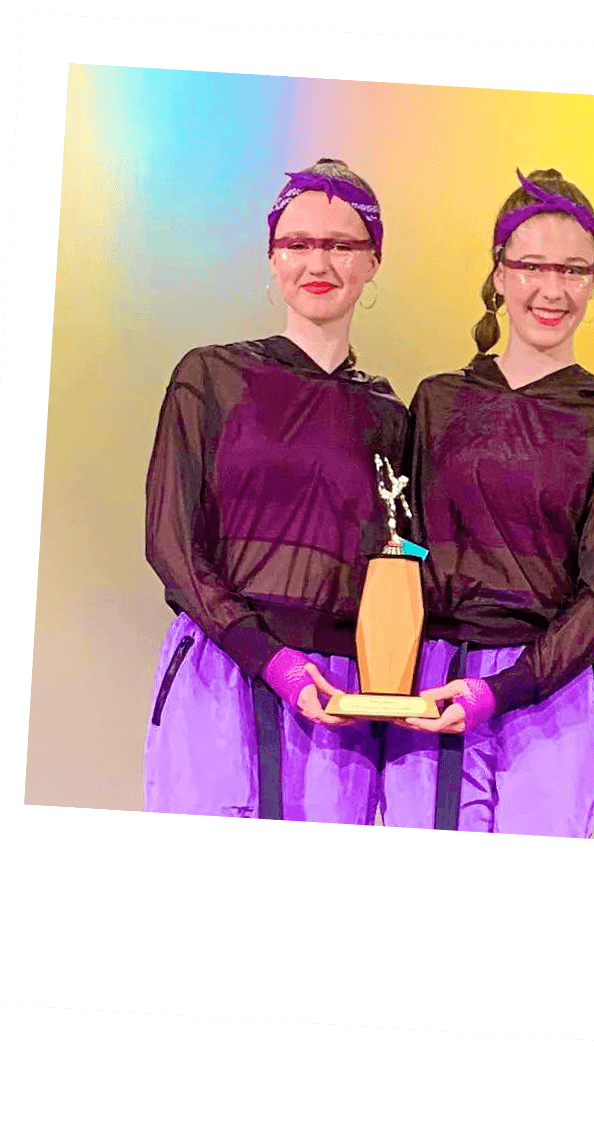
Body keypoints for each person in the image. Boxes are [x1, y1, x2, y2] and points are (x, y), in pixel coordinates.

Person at [382, 168, 594, 838]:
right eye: (532, 265)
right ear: (499, 274)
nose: (553, 289)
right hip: (432, 685)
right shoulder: (437, 402)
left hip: (549, 699)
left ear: (593, 280)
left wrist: (501, 689)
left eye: (574, 270)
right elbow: (402, 547)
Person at [143, 158, 407, 823]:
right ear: (271, 258)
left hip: (337, 699)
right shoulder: (211, 377)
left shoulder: (388, 415)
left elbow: (397, 563)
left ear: (373, 261)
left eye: (341, 245)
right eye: (297, 243)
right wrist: (272, 661)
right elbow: (170, 543)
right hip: (219, 673)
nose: (317, 261)